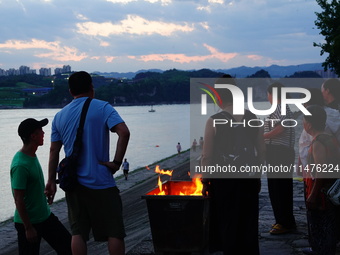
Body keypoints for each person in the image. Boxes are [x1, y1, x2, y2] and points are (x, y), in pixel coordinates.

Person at [45, 71, 130, 255]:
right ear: (92, 88)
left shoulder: (59, 116)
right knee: (114, 232)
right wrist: (116, 163)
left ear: (70, 91)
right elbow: (124, 132)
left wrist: (51, 181)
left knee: (78, 233)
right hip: (102, 182)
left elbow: (54, 151)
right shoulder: (103, 107)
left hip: (74, 183)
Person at [201, 76, 265, 254]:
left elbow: (207, 156)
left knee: (228, 226)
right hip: (249, 179)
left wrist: (206, 181)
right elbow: (261, 152)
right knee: (249, 225)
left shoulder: (214, 121)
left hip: (224, 183)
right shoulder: (253, 118)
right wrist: (258, 176)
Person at [11, 118, 72, 255]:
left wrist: (44, 190)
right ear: (33, 136)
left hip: (45, 216)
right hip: (28, 222)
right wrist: (28, 228)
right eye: (40, 131)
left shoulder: (31, 155)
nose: (44, 133)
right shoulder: (20, 164)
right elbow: (18, 199)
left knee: (69, 248)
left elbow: (31, 186)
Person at [303, 105, 340, 255]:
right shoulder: (332, 138)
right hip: (333, 189)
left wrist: (313, 194)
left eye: (304, 121)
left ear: (310, 124)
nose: (303, 124)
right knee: (331, 224)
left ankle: (321, 250)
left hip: (323, 191)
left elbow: (321, 170)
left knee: (320, 223)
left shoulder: (318, 143)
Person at [264, 82, 296, 234]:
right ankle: (283, 221)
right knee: (280, 187)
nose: (267, 97)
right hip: (280, 152)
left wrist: (262, 136)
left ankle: (284, 223)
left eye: (268, 94)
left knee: (278, 188)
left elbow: (281, 127)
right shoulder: (283, 107)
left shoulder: (279, 107)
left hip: (278, 152)